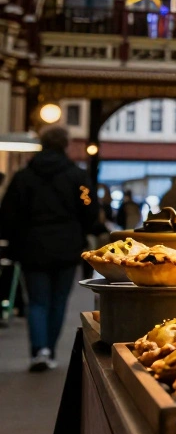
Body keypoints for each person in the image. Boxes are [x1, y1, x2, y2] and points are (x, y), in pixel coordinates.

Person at [0, 125, 99, 372]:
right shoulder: (78, 177)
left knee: (37, 301)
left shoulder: (23, 176)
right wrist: (89, 228)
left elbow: (8, 211)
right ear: (65, 145)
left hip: (31, 246)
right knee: (58, 301)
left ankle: (39, 351)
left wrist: (12, 240)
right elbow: (88, 206)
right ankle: (50, 351)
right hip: (67, 246)